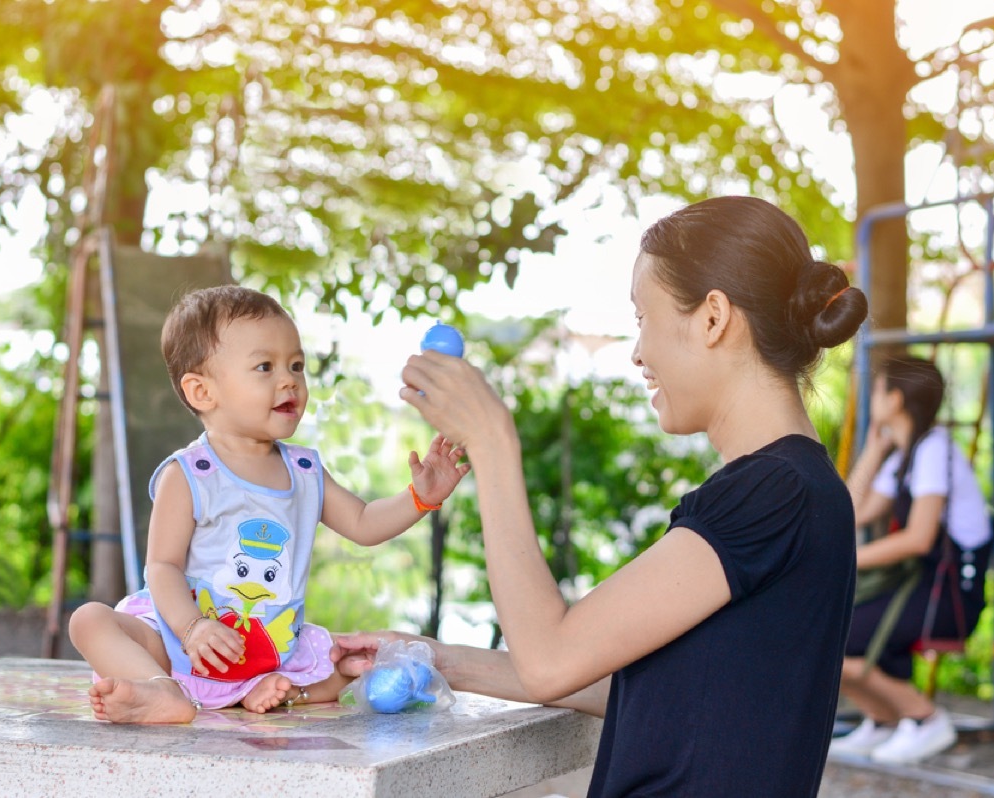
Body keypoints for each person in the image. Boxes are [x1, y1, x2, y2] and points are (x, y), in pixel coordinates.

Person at [334, 195, 869, 796]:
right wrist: (432, 659)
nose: (638, 353)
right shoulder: (794, 488)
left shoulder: (775, 493)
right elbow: (654, 688)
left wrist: (491, 441)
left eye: (643, 318)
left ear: (713, 317)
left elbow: (549, 660)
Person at [68, 285, 469, 723]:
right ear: (202, 392)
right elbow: (162, 566)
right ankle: (163, 692)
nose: (289, 380)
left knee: (346, 664)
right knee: (89, 620)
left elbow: (363, 523)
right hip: (177, 643)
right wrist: (192, 628)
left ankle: (264, 689)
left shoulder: (304, 470)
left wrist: (419, 498)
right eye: (265, 366)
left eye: (296, 365)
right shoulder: (189, 474)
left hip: (267, 649)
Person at [829, 355, 993, 763]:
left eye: (879, 388)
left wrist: (848, 561)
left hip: (952, 596)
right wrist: (873, 449)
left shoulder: (934, 449)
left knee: (835, 641)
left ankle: (924, 719)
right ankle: (884, 720)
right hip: (919, 586)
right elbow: (847, 513)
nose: (873, 397)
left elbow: (919, 539)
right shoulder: (906, 454)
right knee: (830, 626)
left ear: (896, 400)